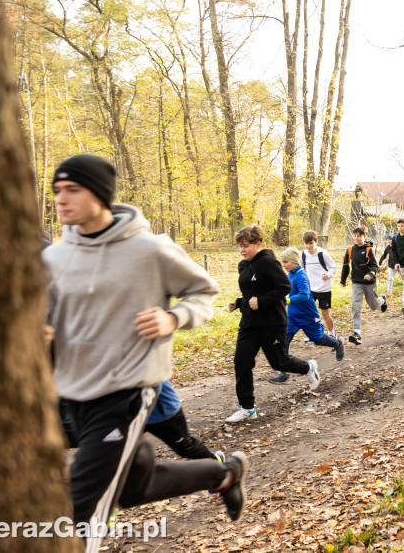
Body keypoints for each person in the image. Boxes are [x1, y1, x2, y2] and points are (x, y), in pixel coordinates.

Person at [43, 154, 247, 550]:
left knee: (82, 509)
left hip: (128, 391)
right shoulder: (53, 258)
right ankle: (224, 475)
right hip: (71, 395)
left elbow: (203, 292)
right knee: (135, 488)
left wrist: (174, 318)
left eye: (72, 190)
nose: (60, 200)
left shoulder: (148, 250)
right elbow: (45, 315)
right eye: (56, 192)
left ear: (99, 195)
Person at [226, 225, 320, 415]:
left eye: (246, 245)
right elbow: (251, 293)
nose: (242, 250)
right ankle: (247, 408)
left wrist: (261, 301)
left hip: (272, 322)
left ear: (257, 244)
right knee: (241, 362)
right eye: (240, 246)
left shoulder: (268, 262)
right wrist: (238, 303)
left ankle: (308, 367)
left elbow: (284, 286)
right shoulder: (243, 266)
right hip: (249, 324)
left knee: (279, 362)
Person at [341, 226, 387, 344]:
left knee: (373, 306)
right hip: (356, 282)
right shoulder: (350, 250)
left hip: (369, 283)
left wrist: (370, 274)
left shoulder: (368, 250)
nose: (356, 238)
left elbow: (375, 266)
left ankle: (382, 299)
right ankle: (357, 333)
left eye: (359, 236)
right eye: (355, 236)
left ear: (364, 236)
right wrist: (343, 280)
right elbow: (345, 265)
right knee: (355, 306)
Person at [301, 230, 339, 337]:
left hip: (324, 289)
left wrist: (328, 274)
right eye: (306, 243)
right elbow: (302, 269)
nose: (308, 246)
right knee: (310, 313)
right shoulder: (303, 254)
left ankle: (331, 334)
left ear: (316, 241)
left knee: (325, 314)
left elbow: (334, 267)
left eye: (311, 243)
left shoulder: (323, 254)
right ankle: (313, 334)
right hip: (310, 289)